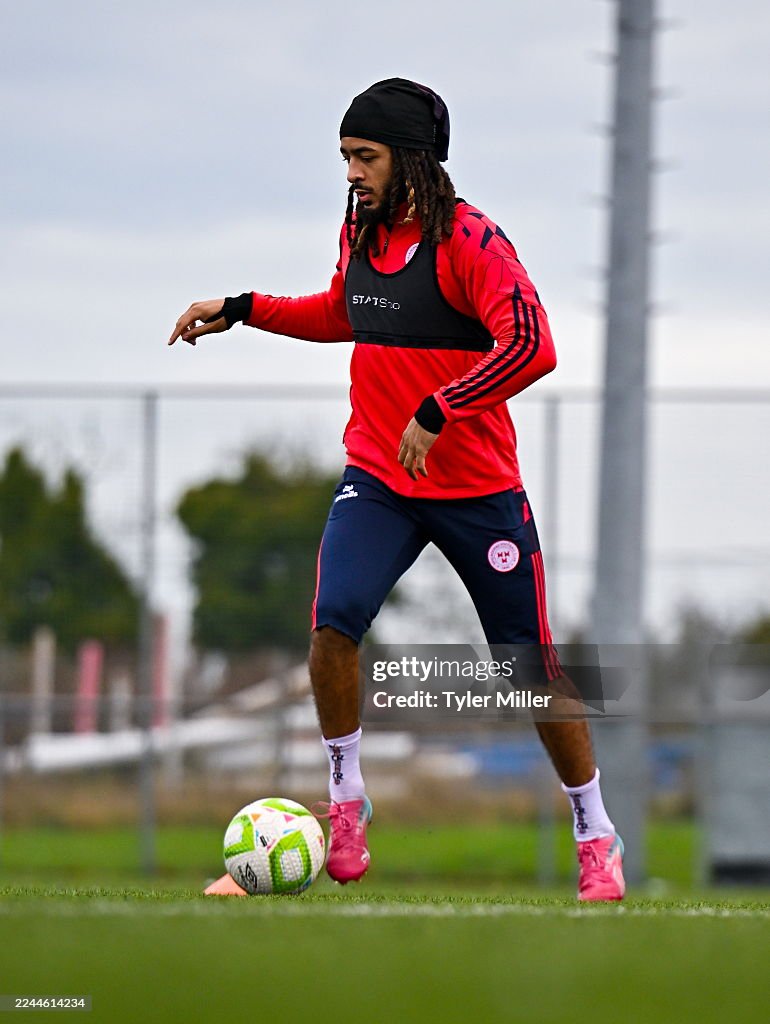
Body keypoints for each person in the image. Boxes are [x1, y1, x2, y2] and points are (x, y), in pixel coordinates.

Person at [170, 78, 625, 902]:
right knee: (332, 625)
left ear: (413, 160)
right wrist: (243, 308)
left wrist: (441, 406)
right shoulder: (360, 229)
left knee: (528, 668)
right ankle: (346, 801)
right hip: (379, 472)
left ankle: (594, 828)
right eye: (346, 156)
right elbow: (346, 310)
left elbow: (534, 344)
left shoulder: (473, 243)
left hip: (477, 488)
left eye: (366, 156)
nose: (352, 172)